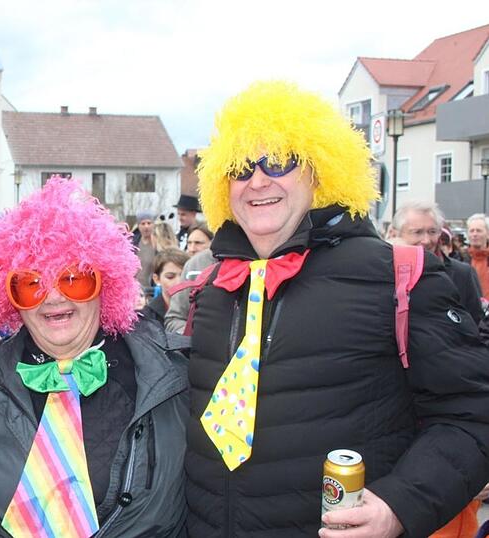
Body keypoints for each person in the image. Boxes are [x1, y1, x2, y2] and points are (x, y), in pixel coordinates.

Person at [187, 80, 489, 538]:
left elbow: (472, 415)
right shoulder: (210, 290)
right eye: (240, 166)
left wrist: (399, 506)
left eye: (280, 161)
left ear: (320, 170)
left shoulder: (398, 276)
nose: (258, 180)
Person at [0, 177, 188, 537]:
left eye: (74, 279)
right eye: (31, 284)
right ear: (10, 296)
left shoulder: (173, 375)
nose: (53, 299)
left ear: (105, 282)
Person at [392, 201, 484, 322]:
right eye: (417, 232)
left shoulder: (462, 273)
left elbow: (476, 322)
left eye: (432, 232)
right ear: (396, 234)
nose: (426, 240)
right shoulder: (387, 271)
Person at [141, 247, 189, 322]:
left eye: (183, 275)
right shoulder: (147, 315)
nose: (179, 282)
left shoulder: (200, 308)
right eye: (170, 277)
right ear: (156, 279)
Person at [132, 211, 157, 294]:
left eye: (149, 223)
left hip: (152, 291)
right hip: (135, 290)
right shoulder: (133, 244)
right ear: (138, 226)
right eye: (143, 223)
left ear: (153, 225)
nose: (146, 226)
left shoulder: (158, 245)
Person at [467, 213, 489, 299]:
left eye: (478, 230)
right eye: (471, 231)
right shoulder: (459, 259)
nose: (474, 234)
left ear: (487, 234)